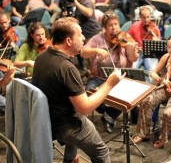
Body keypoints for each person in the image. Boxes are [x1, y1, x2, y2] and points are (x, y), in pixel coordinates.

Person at [32, 16, 124, 163]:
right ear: (68, 41)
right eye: (80, 34)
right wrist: (109, 83)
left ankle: (69, 160)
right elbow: (85, 108)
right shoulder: (67, 68)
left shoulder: (42, 56)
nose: (83, 38)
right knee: (102, 152)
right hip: (65, 125)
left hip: (47, 119)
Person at [81, 11, 139, 133]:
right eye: (110, 25)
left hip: (120, 79)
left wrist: (131, 48)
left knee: (128, 95)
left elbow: (133, 59)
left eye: (116, 24)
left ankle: (109, 116)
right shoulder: (97, 39)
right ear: (104, 28)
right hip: (98, 77)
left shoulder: (126, 39)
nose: (114, 28)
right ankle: (109, 109)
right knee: (88, 95)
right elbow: (83, 52)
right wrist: (96, 50)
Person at [134, 35, 171, 149]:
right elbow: (154, 72)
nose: (169, 50)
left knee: (168, 113)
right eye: (168, 46)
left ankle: (162, 138)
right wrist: (156, 76)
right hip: (167, 88)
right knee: (146, 101)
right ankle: (144, 133)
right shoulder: (166, 57)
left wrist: (167, 84)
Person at [128, 6, 160, 74]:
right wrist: (134, 45)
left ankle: (152, 84)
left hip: (149, 53)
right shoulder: (135, 25)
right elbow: (127, 37)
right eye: (144, 17)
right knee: (132, 69)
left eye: (148, 17)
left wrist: (155, 38)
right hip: (137, 53)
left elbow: (159, 44)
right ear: (140, 17)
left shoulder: (154, 27)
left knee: (153, 71)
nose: (146, 20)